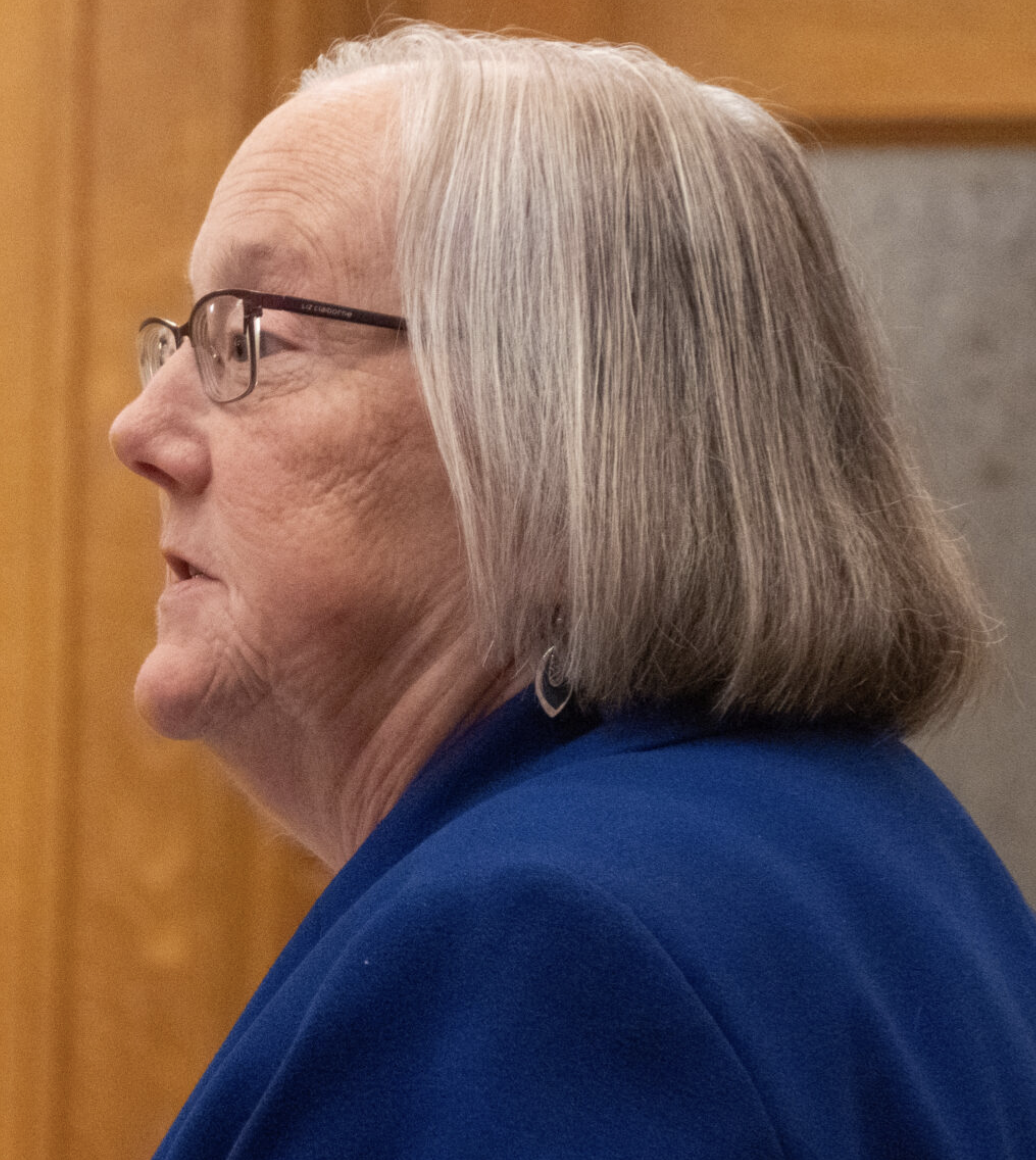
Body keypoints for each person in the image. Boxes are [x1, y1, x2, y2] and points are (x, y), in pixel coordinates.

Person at [109, 25, 1036, 1159]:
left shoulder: (549, 942)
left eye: (251, 337)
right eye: (176, 340)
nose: (142, 429)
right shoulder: (893, 854)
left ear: (551, 425)